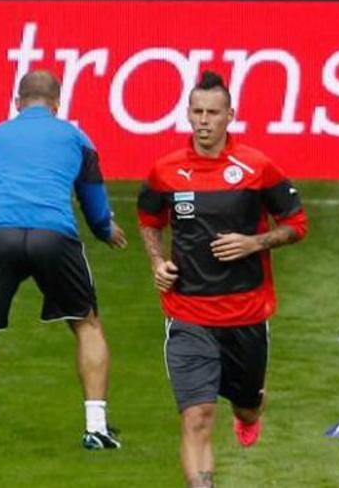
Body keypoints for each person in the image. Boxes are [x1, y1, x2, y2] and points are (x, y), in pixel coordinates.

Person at [137, 72, 308, 488]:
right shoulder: (166, 172)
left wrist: (255, 242)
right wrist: (157, 262)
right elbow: (149, 220)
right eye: (197, 112)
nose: (204, 121)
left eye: (213, 113)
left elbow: (296, 224)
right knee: (197, 417)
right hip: (188, 314)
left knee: (247, 408)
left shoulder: (257, 167)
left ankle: (247, 412)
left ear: (230, 115)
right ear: (187, 114)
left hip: (246, 314)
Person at [0, 70, 128, 451]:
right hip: (55, 235)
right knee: (87, 324)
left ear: (17, 104)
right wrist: (104, 231)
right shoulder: (76, 137)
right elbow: (95, 203)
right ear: (57, 104)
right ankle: (96, 427)